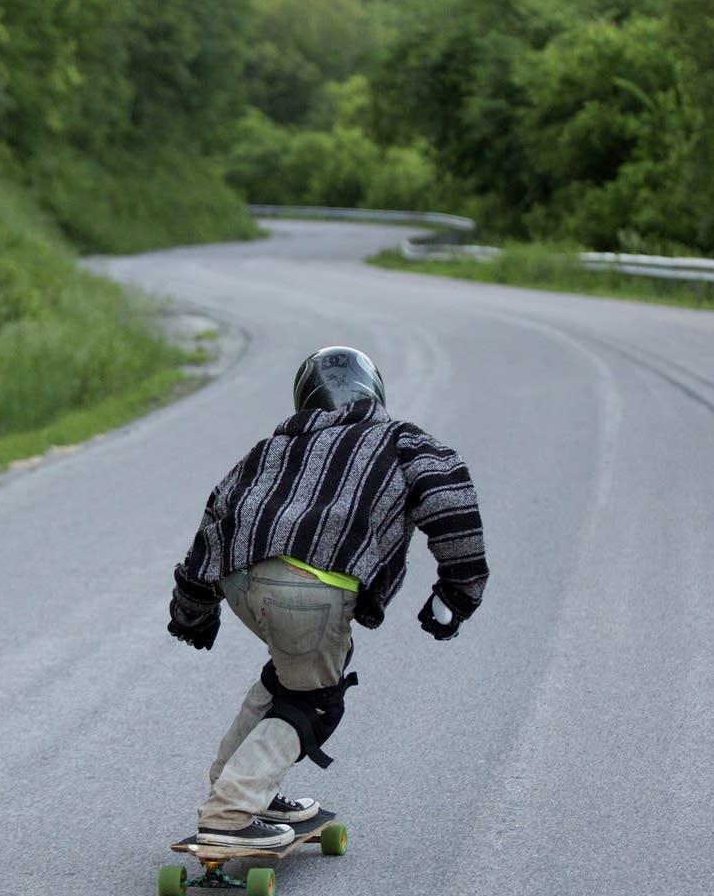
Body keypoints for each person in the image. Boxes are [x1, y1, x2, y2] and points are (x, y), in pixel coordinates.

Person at [167, 345, 488, 850]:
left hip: (238, 585)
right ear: (373, 391)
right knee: (316, 701)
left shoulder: (268, 449)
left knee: (290, 678)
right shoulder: (400, 440)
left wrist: (192, 610)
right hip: (312, 587)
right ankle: (231, 810)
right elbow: (451, 500)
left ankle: (246, 788)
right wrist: (459, 591)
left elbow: (214, 522)